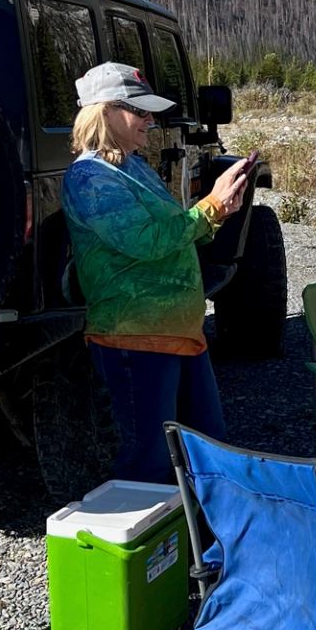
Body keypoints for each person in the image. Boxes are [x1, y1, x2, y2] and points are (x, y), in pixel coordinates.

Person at [63, 61, 254, 486]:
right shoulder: (90, 176)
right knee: (149, 459)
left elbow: (176, 232)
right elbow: (146, 240)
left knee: (207, 446)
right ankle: (156, 546)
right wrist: (210, 208)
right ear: (104, 113)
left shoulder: (132, 165)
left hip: (179, 331)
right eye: (140, 110)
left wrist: (216, 214)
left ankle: (202, 541)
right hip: (135, 335)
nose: (151, 120)